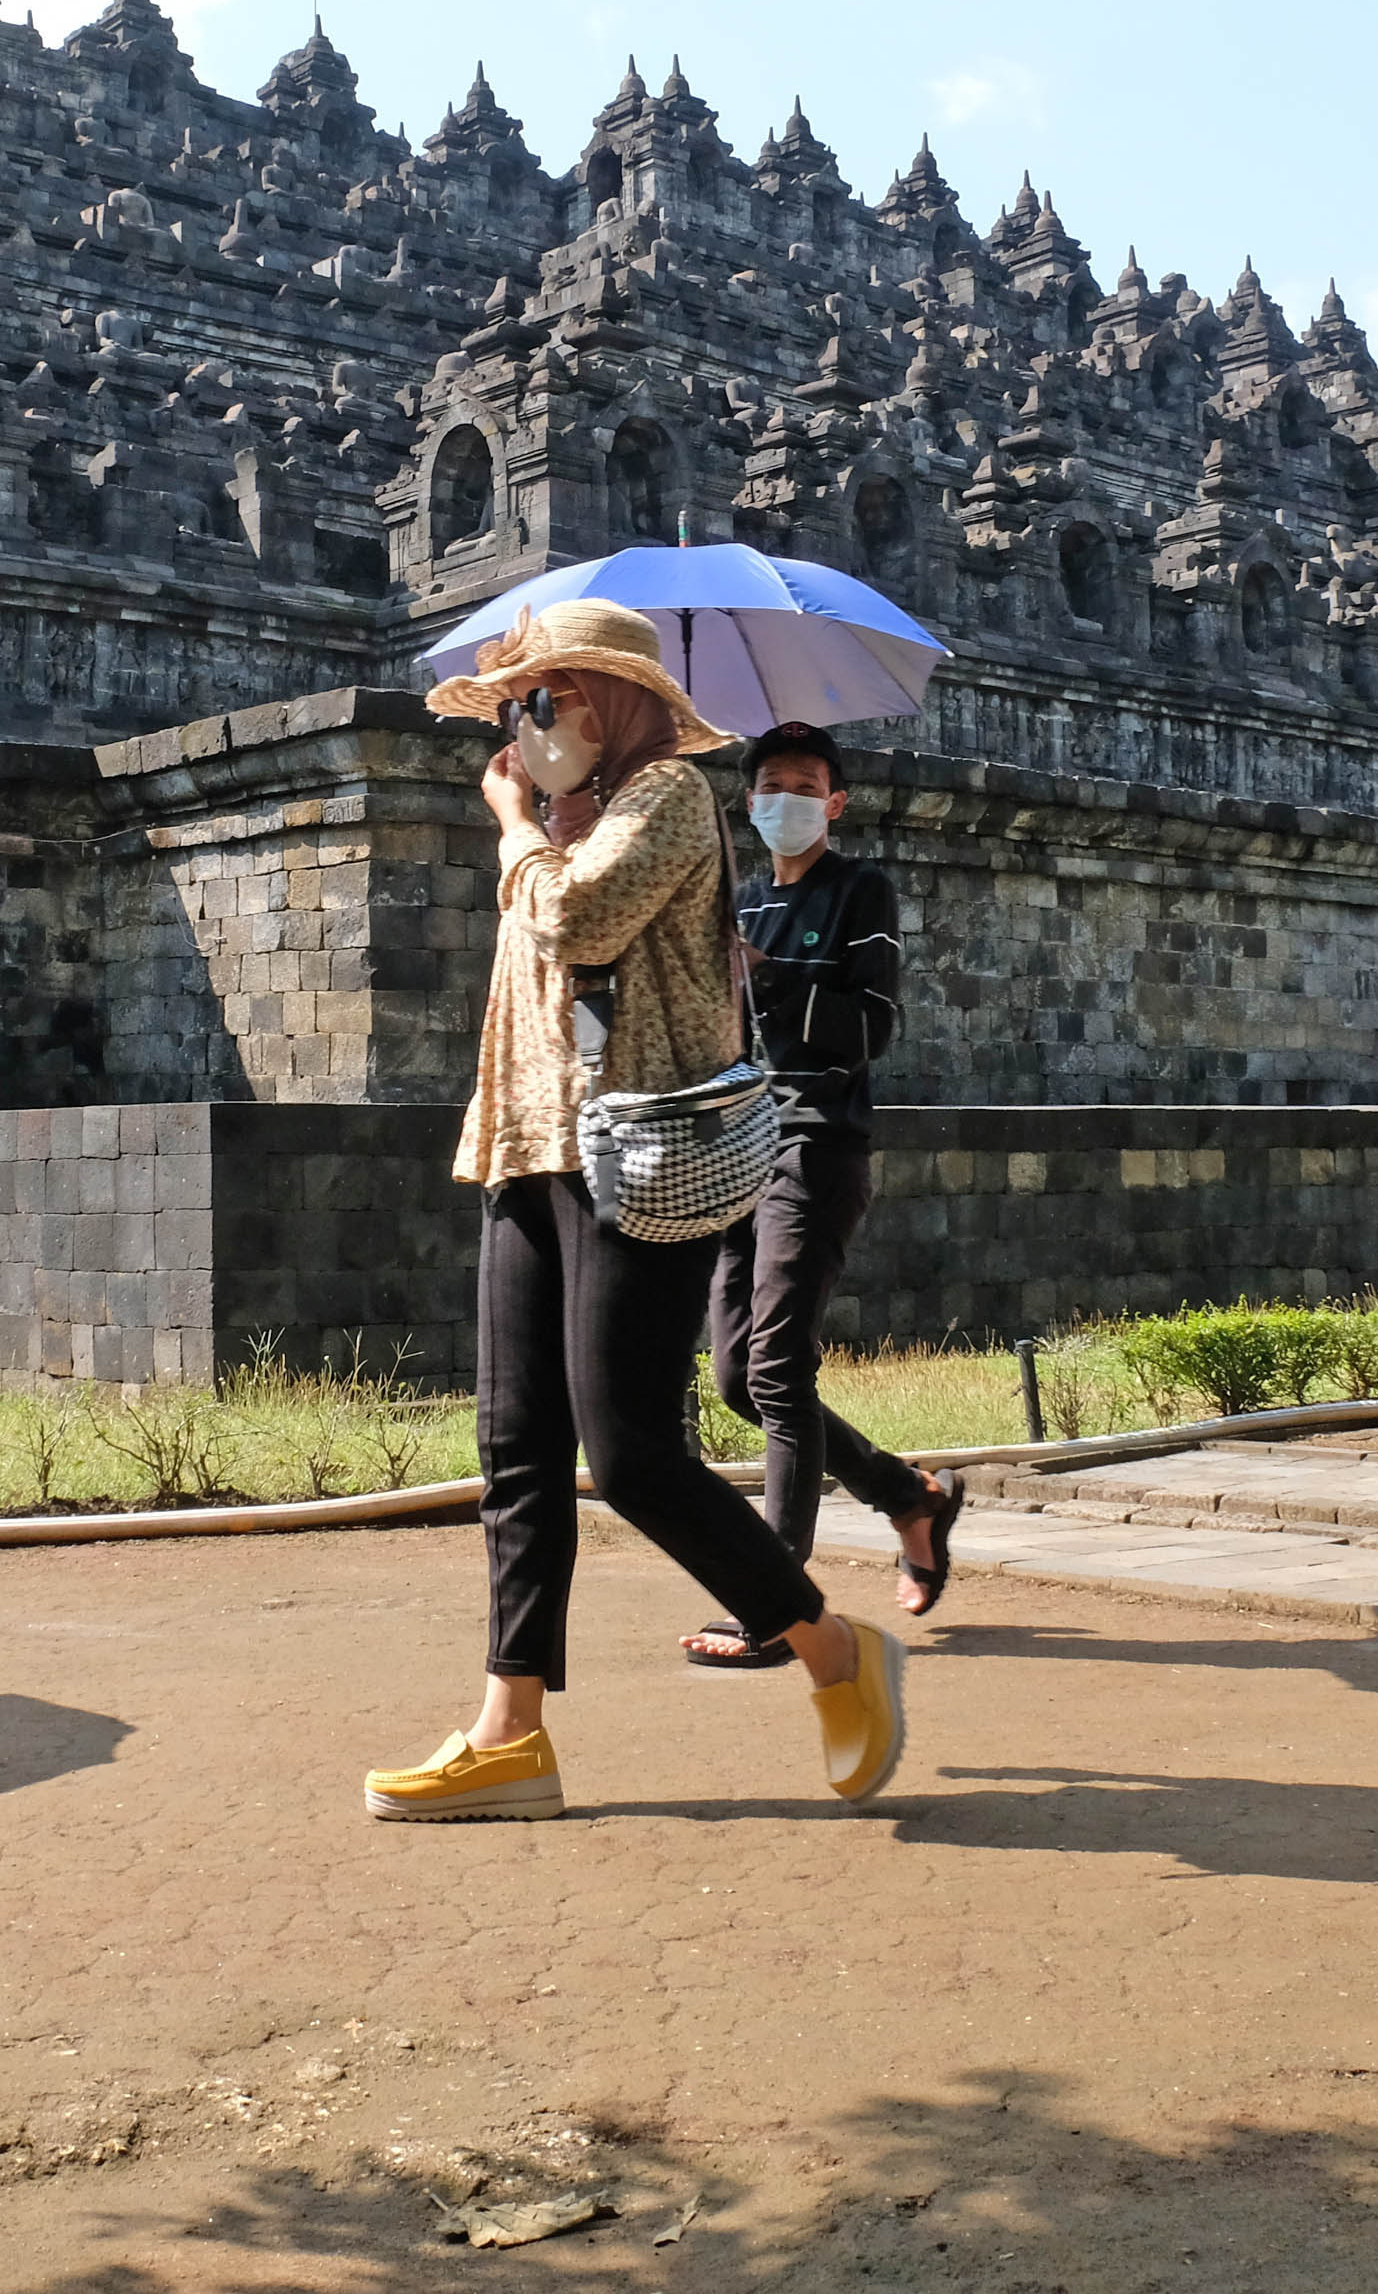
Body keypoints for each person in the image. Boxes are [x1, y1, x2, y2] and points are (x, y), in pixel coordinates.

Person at [365, 603, 908, 1822]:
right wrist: (540, 821)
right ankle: (510, 1732)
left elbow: (576, 921)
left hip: (638, 1160)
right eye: (517, 704)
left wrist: (515, 827)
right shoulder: (561, 826)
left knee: (636, 1454)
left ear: (617, 705)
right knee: (515, 1449)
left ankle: (831, 1649)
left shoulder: (667, 798)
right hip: (523, 1147)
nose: (526, 722)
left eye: (548, 697)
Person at [681, 722, 964, 1669]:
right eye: (768, 784)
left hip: (816, 1144)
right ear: (748, 801)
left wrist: (768, 982)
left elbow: (870, 1026)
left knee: (776, 1372)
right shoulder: (739, 900)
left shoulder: (858, 891)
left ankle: (778, 1600)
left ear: (835, 802)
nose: (784, 799)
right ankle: (908, 1496)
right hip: (735, 1146)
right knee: (734, 1378)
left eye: (803, 784)